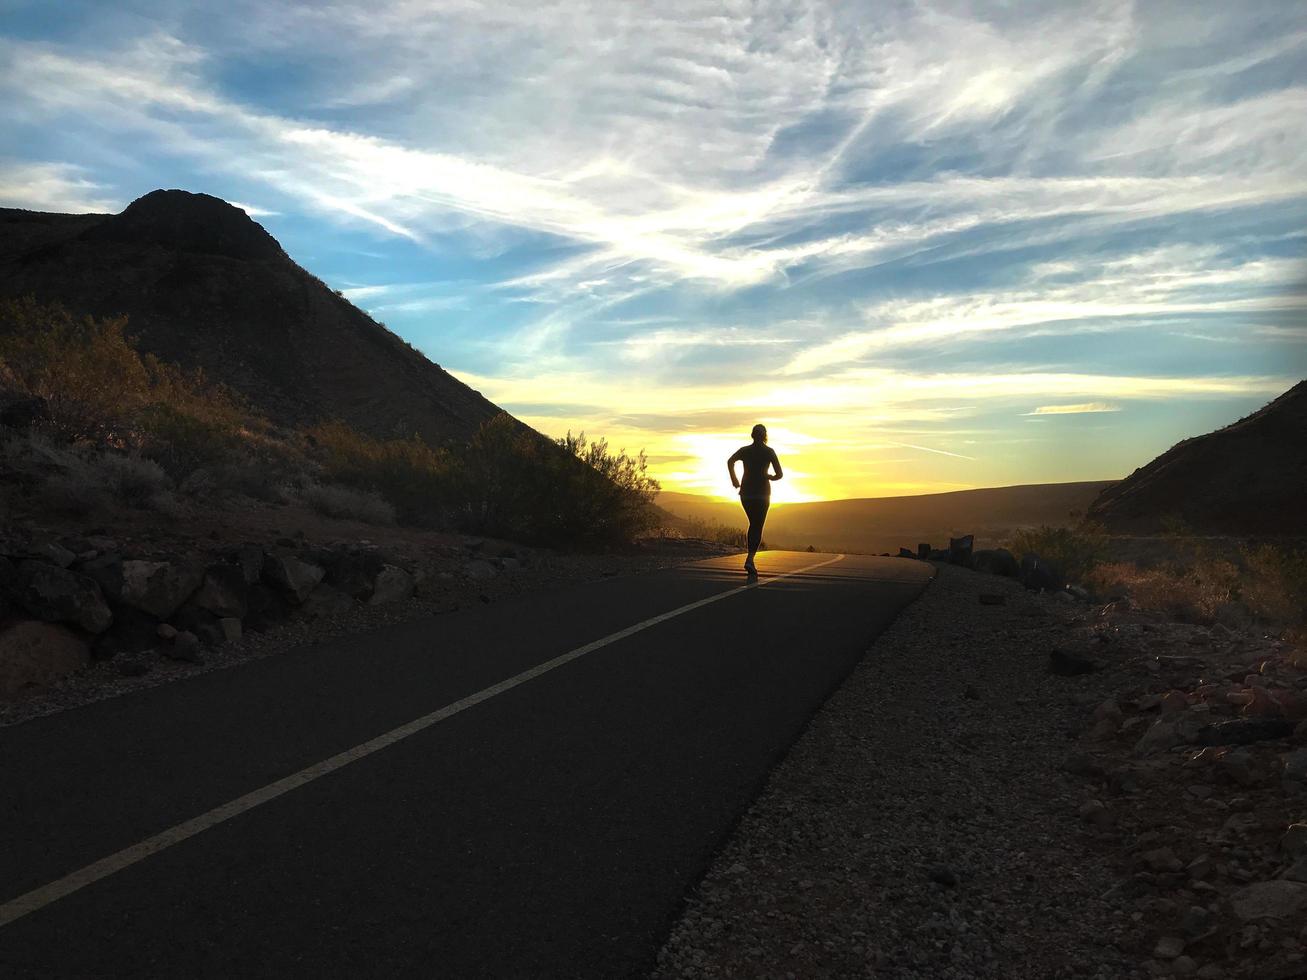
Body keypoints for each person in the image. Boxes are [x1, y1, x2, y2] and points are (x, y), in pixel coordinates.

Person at [727, 424, 783, 576]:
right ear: (765, 436)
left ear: (752, 435)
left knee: (753, 523)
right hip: (762, 493)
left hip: (746, 493)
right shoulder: (769, 452)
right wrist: (769, 477)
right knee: (757, 525)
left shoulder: (745, 451)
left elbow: (730, 461)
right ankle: (750, 559)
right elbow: (780, 474)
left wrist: (734, 480)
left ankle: (750, 559)